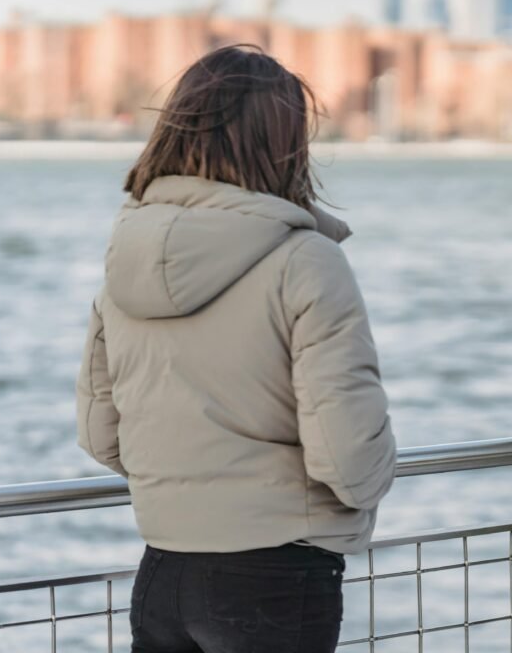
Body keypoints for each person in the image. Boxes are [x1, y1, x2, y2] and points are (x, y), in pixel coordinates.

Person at [75, 44, 397, 653]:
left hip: (163, 572)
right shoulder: (306, 261)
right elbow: (349, 459)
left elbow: (100, 435)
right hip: (274, 578)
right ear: (284, 145)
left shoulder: (123, 258)